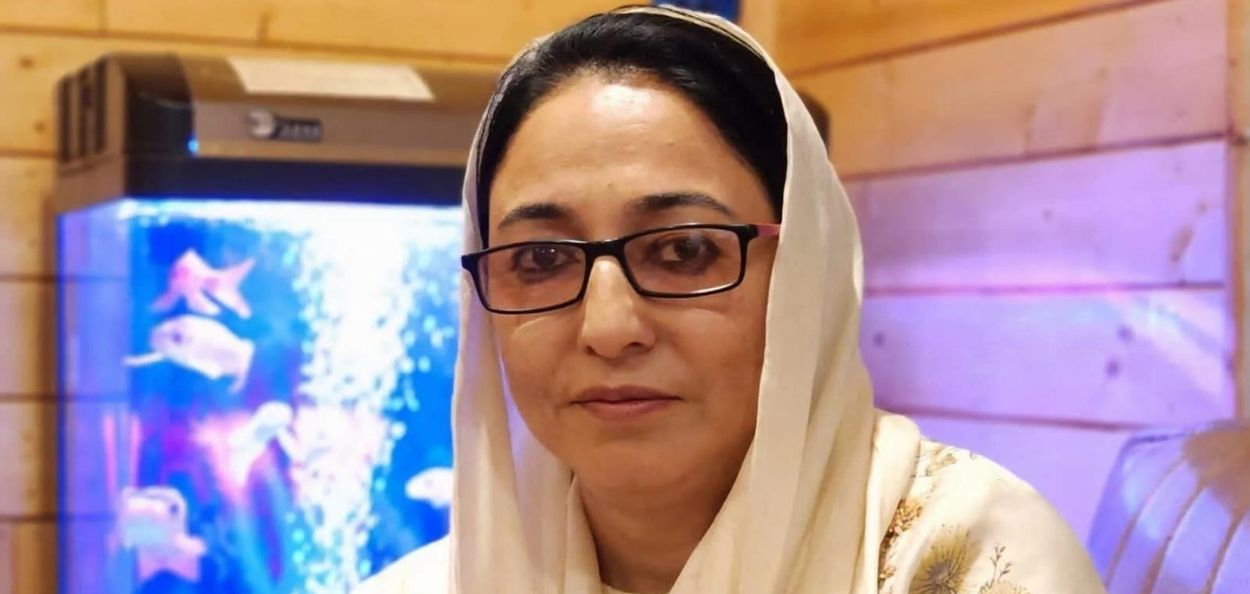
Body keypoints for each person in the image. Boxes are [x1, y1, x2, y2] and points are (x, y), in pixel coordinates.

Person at [356, 6, 1105, 594]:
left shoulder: (969, 561)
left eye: (684, 250)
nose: (609, 328)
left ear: (805, 270)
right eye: (541, 259)